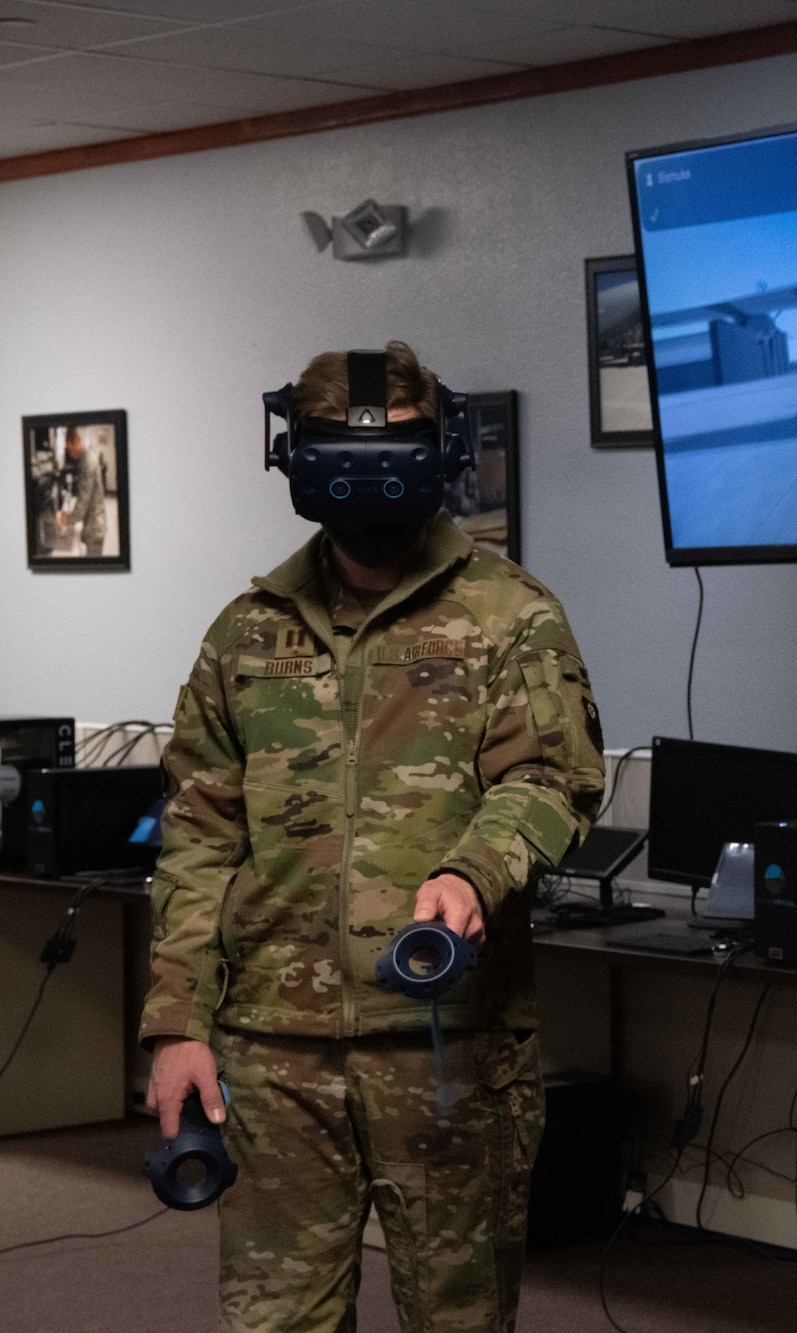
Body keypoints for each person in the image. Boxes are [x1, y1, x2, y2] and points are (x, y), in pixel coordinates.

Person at [142, 341, 605, 1331]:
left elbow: (553, 778)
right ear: (294, 459)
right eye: (342, 450)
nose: (368, 473)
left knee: (458, 1316)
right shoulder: (246, 632)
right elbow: (196, 842)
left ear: (439, 456)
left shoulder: (509, 616)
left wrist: (472, 874)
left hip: (445, 1053)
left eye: (396, 449)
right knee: (279, 1321)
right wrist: (179, 1025)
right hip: (273, 1057)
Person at [65, 425, 108, 557]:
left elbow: (84, 500)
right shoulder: (87, 457)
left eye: (70, 449)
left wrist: (68, 519)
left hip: (94, 528)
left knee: (95, 572)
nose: (70, 454)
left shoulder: (86, 461)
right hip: (94, 524)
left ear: (77, 441)